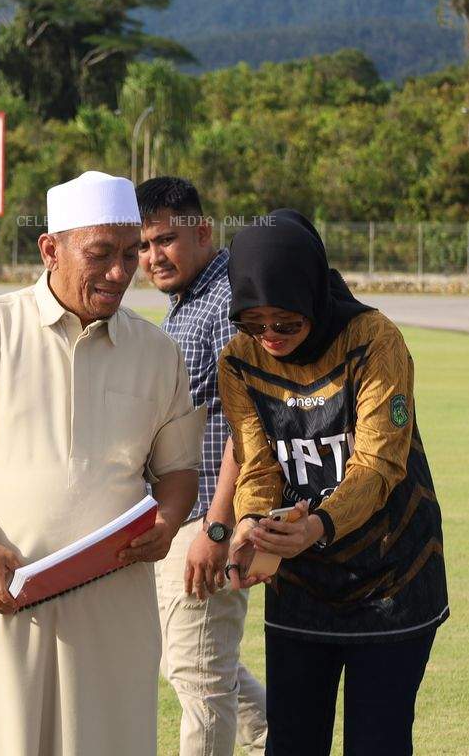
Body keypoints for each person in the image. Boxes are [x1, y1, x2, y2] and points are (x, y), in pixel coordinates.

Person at [0, 170, 206, 756]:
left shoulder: (157, 352)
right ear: (51, 250)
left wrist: (169, 522)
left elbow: (177, 471)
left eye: (130, 253)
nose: (121, 272)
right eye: (101, 254)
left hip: (111, 608)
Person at [222, 210, 448, 756]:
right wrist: (250, 525)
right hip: (302, 585)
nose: (270, 337)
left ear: (313, 296)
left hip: (392, 578)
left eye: (286, 323)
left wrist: (319, 524)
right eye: (254, 323)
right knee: (292, 743)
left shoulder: (373, 340)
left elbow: (378, 464)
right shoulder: (238, 360)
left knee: (377, 742)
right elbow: (258, 464)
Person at [137, 176, 267, 756]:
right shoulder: (188, 305)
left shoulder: (225, 306)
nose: (152, 257)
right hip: (184, 520)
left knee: (200, 680)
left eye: (165, 239)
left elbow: (251, 424)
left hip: (208, 521)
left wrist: (217, 527)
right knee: (198, 667)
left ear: (202, 231)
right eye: (142, 246)